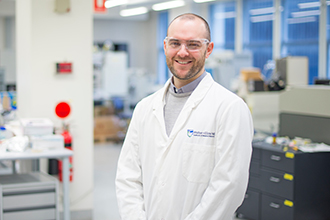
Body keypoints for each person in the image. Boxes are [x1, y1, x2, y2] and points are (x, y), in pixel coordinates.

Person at [116, 13, 254, 220]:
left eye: (193, 44)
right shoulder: (145, 108)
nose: (182, 52)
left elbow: (228, 186)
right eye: (175, 43)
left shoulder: (230, 108)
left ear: (208, 49)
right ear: (165, 46)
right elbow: (128, 176)